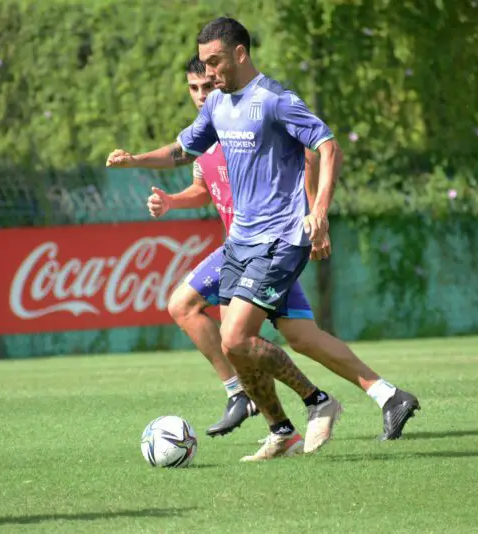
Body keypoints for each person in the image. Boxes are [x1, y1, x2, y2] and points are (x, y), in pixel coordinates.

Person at [108, 17, 344, 462]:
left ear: (240, 53)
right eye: (203, 63)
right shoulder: (216, 106)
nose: (209, 72)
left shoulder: (275, 100)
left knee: (236, 338)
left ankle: (319, 402)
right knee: (233, 346)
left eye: (214, 62)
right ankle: (282, 430)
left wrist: (319, 211)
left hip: (280, 237)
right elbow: (182, 151)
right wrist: (135, 159)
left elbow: (327, 145)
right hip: (241, 240)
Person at [149, 55, 419, 441]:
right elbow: (203, 189)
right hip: (246, 250)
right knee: (300, 336)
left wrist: (315, 214)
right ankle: (387, 395)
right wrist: (173, 201)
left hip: (270, 246)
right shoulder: (208, 133)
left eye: (207, 85)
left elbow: (314, 149)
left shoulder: (249, 117)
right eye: (194, 88)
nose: (202, 94)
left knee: (204, 316)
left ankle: (262, 404)